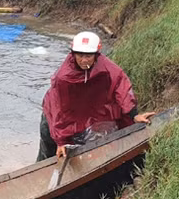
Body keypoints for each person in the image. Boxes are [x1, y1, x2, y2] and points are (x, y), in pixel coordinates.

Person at [37, 31, 155, 161]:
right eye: (80, 55)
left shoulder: (106, 68)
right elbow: (61, 111)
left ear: (96, 54)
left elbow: (122, 89)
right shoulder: (64, 78)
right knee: (49, 153)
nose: (84, 60)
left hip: (85, 112)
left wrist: (134, 115)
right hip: (55, 119)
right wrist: (61, 141)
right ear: (73, 54)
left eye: (88, 56)